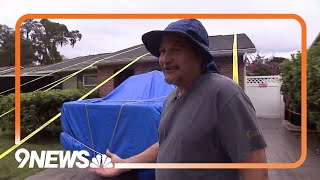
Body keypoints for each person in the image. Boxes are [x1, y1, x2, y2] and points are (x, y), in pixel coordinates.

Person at [89, 19, 269, 180]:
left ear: (199, 54)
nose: (165, 59)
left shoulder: (224, 94)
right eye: (162, 51)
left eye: (176, 49)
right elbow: (167, 144)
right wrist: (125, 163)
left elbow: (256, 167)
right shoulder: (171, 99)